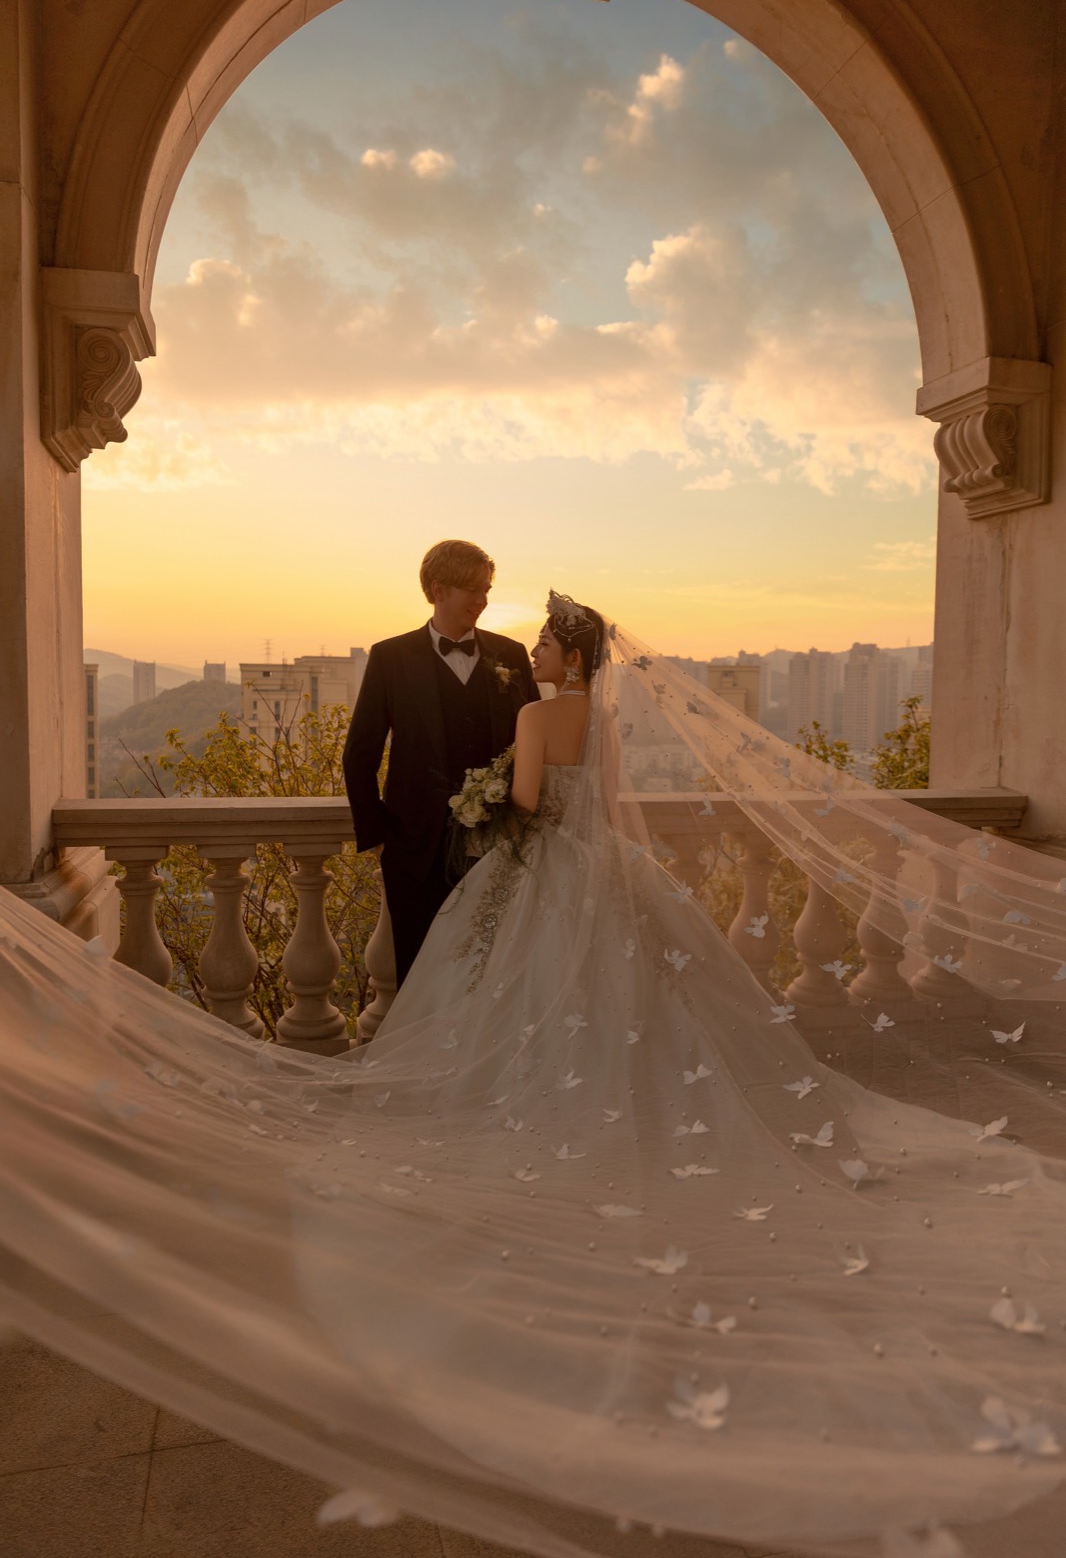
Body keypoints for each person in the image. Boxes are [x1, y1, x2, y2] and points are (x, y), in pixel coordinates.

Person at [3, 594, 1066, 1558]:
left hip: (535, 878)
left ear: (567, 654)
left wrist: (480, 806)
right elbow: (599, 805)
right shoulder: (606, 723)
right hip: (608, 881)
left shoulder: (532, 715)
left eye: (547, 642)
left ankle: (527, 1116)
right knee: (633, 1019)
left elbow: (521, 803)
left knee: (516, 1012)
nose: (535, 652)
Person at [342, 539, 537, 988]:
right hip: (415, 852)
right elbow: (360, 752)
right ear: (437, 589)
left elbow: (531, 745)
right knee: (420, 977)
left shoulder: (511, 654)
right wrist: (379, 838)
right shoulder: (391, 656)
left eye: (487, 589)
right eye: (473, 589)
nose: (483, 600)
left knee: (491, 978)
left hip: (498, 848)